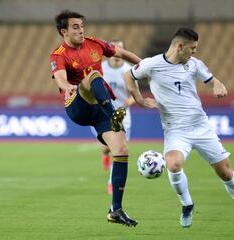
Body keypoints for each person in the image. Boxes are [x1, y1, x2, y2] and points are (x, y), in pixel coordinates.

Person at [124, 27, 234, 235]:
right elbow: (129, 75)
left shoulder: (194, 65)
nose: (195, 52)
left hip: (201, 126)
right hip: (175, 129)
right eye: (193, 48)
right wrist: (139, 99)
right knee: (173, 163)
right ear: (180, 47)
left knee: (225, 171)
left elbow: (213, 79)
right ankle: (187, 204)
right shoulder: (152, 64)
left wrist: (218, 85)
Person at [49, 10, 143, 227]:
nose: (81, 30)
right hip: (77, 105)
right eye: (75, 27)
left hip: (99, 109)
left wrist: (147, 66)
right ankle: (114, 115)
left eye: (81, 26)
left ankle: (115, 210)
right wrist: (67, 87)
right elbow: (60, 78)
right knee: (92, 75)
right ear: (64, 31)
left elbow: (121, 53)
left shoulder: (95, 44)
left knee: (121, 151)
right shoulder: (59, 54)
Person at [90, 40, 135, 195]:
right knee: (106, 147)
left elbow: (135, 94)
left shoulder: (129, 70)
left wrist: (128, 102)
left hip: (122, 115)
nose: (116, 53)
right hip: (102, 113)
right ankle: (104, 153)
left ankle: (111, 182)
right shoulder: (99, 68)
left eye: (120, 49)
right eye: (114, 49)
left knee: (120, 149)